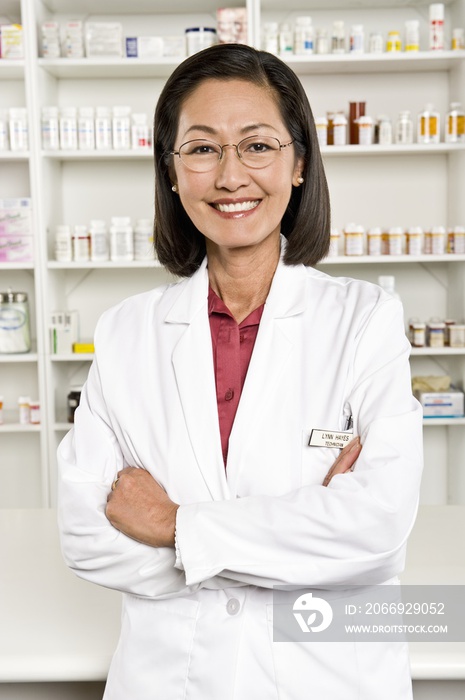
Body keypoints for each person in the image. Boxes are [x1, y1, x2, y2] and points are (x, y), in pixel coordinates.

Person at [57, 43, 423, 700]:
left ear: (299, 162)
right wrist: (298, 542)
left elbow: (376, 531)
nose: (230, 176)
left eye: (256, 146)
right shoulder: (124, 332)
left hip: (329, 678)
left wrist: (175, 525)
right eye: (201, 149)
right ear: (171, 173)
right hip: (170, 679)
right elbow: (87, 532)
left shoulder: (364, 319)